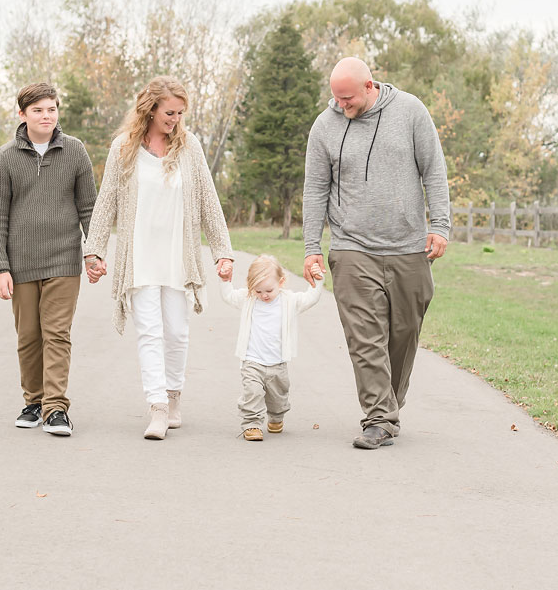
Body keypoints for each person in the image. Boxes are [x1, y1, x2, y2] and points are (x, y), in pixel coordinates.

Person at [302, 57, 450, 449]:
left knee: (403, 334)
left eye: (347, 98)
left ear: (370, 86)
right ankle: (379, 417)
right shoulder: (325, 126)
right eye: (335, 98)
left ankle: (388, 405)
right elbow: (315, 189)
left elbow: (433, 169)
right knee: (364, 338)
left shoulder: (411, 112)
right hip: (352, 247)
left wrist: (440, 226)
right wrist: (312, 248)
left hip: (408, 247)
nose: (341, 106)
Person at [84, 76, 234, 440]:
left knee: (178, 333)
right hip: (140, 257)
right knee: (149, 333)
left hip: (177, 257)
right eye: (170, 112)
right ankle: (157, 407)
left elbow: (207, 200)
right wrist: (95, 251)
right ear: (151, 109)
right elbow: (106, 203)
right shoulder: (124, 147)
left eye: (181, 113)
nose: (176, 119)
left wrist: (222, 251)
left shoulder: (190, 146)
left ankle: (174, 395)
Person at [0, 82, 97, 437]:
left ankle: (55, 409)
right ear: (23, 115)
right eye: (38, 110)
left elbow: (89, 208)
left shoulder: (75, 152)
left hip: (63, 260)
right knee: (29, 335)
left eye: (51, 109)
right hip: (20, 265)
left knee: (57, 333)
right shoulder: (7, 158)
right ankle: (33, 401)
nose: (46, 115)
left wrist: (93, 251)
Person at [219, 255, 323, 441]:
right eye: (258, 291)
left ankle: (276, 416)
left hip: (278, 363)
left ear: (281, 282)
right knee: (252, 392)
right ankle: (251, 423)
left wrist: (318, 280)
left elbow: (310, 298)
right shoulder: (248, 299)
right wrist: (225, 280)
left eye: (268, 290)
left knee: (278, 398)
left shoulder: (289, 301)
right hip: (252, 360)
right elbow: (229, 296)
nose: (264, 295)